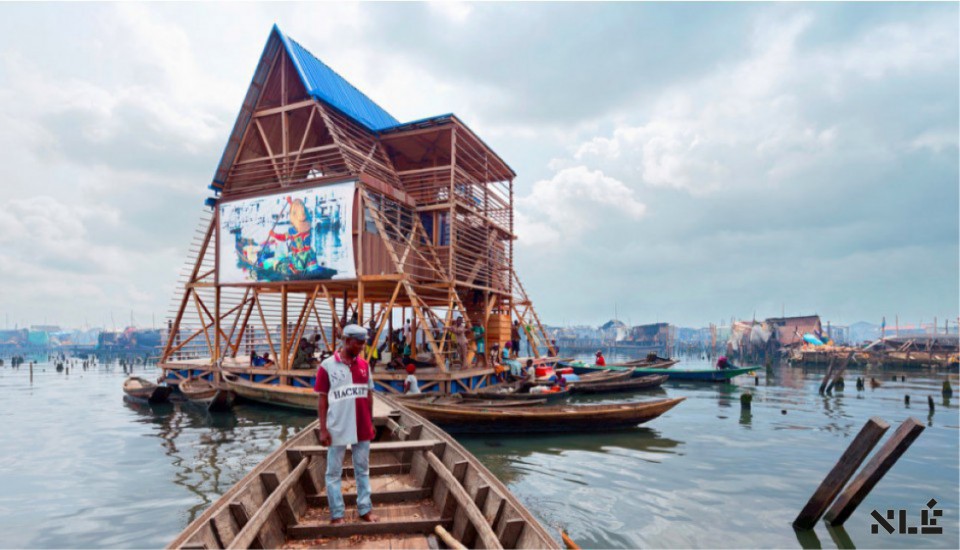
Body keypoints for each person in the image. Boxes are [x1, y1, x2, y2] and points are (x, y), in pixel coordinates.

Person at [314, 324, 379, 525]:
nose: (361, 346)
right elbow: (322, 400)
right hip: (337, 427)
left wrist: (371, 420)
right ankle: (337, 514)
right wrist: (323, 429)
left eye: (363, 343)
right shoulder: (327, 366)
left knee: (363, 469)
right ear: (347, 341)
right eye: (359, 342)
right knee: (333, 472)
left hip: (362, 425)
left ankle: (365, 509)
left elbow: (368, 395)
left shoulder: (364, 366)